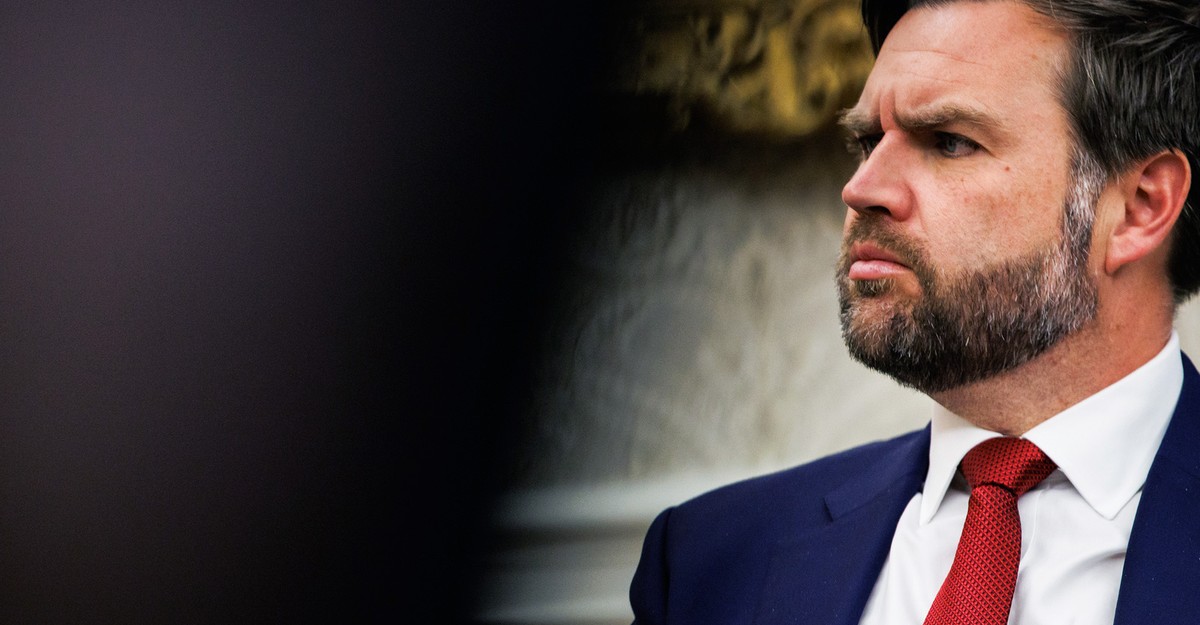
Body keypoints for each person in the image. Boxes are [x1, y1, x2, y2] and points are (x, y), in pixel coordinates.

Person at [628, 0, 1200, 623]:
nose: (861, 189)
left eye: (949, 142)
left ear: (1140, 206)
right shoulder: (710, 561)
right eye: (868, 141)